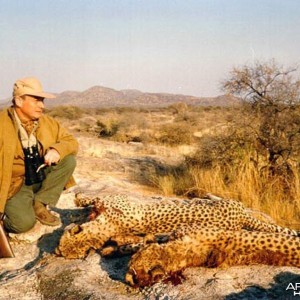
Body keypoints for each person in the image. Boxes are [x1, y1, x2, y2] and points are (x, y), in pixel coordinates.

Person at [0, 77, 78, 233]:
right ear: (19, 101)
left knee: (68, 161)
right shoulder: (2, 125)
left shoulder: (47, 122)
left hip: (37, 176)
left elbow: (71, 141)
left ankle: (40, 202)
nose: (41, 105)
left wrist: (57, 149)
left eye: (42, 100)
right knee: (22, 224)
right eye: (36, 100)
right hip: (14, 184)